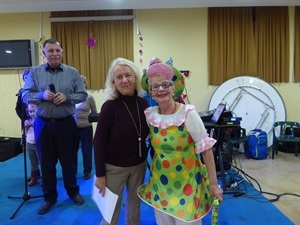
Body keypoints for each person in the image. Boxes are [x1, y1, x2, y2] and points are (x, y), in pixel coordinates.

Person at [138, 63, 223, 225]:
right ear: (151, 92)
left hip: (188, 183)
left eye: (165, 84)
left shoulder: (188, 114)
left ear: (173, 88)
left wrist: (213, 184)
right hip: (161, 183)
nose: (161, 89)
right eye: (155, 86)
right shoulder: (150, 116)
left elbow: (206, 150)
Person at [22, 38, 87, 215]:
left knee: (69, 162)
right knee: (47, 164)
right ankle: (49, 198)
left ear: (62, 52)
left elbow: (82, 94)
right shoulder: (35, 73)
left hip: (66, 123)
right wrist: (42, 95)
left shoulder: (72, 72)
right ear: (44, 54)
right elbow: (25, 95)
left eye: (57, 50)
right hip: (42, 124)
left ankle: (73, 192)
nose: (55, 53)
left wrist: (67, 97)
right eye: (50, 51)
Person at [93, 57, 149, 225]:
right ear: (113, 82)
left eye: (128, 75)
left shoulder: (143, 103)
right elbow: (98, 142)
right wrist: (100, 174)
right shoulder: (109, 106)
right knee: (110, 213)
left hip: (139, 165)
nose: (124, 80)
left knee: (134, 208)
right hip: (115, 168)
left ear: (135, 78)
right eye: (119, 77)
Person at [74, 75, 97, 180]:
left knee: (86, 151)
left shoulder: (89, 97)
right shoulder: (72, 96)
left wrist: (88, 118)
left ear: (85, 84)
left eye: (83, 82)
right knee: (71, 151)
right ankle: (72, 170)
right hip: (72, 128)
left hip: (86, 127)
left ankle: (87, 171)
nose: (81, 84)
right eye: (79, 82)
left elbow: (94, 113)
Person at [24, 103, 41, 186]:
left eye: (34, 111)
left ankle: (45, 178)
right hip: (29, 144)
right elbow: (25, 133)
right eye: (30, 112)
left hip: (39, 145)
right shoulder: (27, 121)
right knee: (33, 162)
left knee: (42, 162)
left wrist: (35, 126)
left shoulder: (40, 122)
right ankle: (34, 177)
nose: (32, 114)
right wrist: (26, 127)